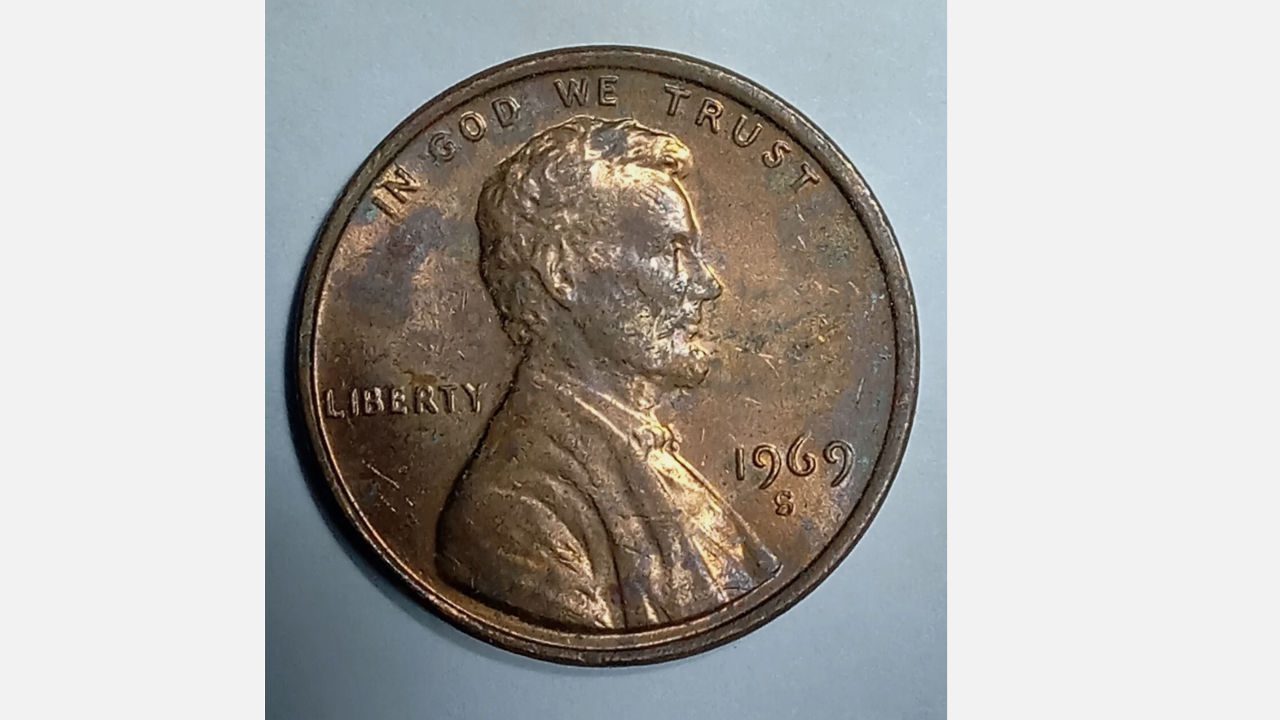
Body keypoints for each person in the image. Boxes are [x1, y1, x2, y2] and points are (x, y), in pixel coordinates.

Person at [436, 116, 779, 630]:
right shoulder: (516, 516)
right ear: (564, 271)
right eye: (672, 250)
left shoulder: (652, 458)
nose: (706, 285)